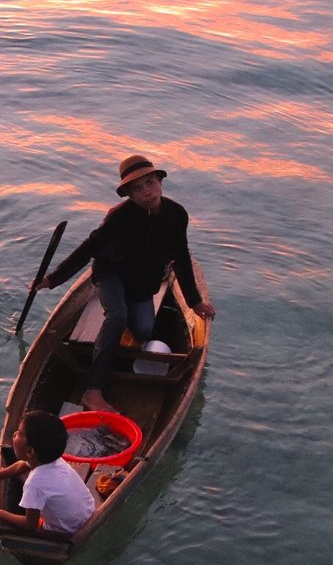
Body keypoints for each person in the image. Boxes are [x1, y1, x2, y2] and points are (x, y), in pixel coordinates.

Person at [31, 155, 216, 412]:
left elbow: (182, 258)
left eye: (150, 183)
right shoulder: (119, 217)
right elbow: (88, 249)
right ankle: (93, 391)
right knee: (117, 316)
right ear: (129, 195)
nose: (147, 191)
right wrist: (52, 279)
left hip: (144, 282)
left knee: (143, 330)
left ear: (160, 182)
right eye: (137, 189)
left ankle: (119, 313)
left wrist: (194, 301)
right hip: (111, 273)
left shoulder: (176, 214)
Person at [0, 411, 95, 535]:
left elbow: (30, 525)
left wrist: (1, 514)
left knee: (36, 526)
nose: (14, 434)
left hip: (68, 530)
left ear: (30, 452)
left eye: (19, 433)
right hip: (88, 511)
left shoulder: (34, 484)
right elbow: (23, 464)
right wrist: (0, 473)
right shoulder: (54, 460)